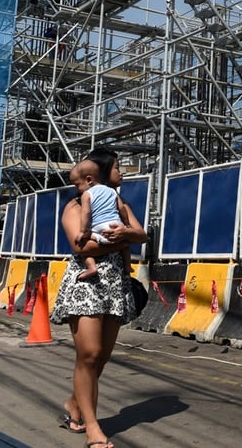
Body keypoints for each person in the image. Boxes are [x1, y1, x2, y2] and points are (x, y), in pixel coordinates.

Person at [50, 147, 148, 448]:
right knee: (89, 354)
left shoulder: (121, 203)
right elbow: (82, 249)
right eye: (118, 167)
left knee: (102, 356)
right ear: (102, 174)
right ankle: (93, 428)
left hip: (115, 284)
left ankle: (75, 404)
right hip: (86, 283)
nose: (123, 172)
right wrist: (118, 240)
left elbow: (142, 235)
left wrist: (126, 236)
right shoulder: (76, 205)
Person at [69, 159, 132, 281]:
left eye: (77, 184)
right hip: (116, 225)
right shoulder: (112, 191)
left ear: (89, 180)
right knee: (125, 246)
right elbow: (122, 208)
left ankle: (91, 267)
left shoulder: (87, 194)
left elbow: (86, 213)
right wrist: (127, 224)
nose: (76, 189)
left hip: (100, 229)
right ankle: (128, 265)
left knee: (83, 246)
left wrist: (83, 232)